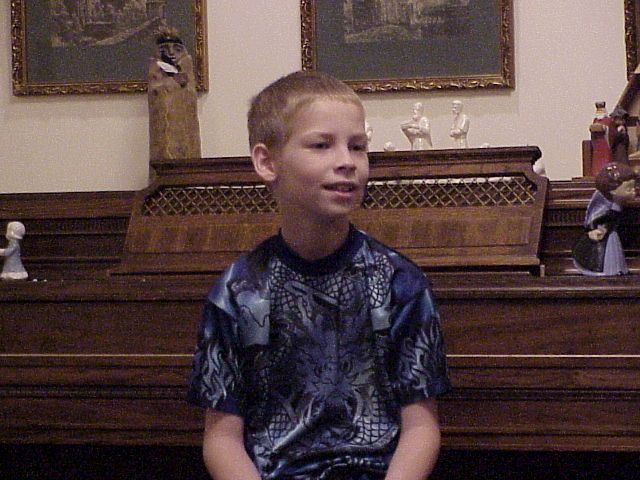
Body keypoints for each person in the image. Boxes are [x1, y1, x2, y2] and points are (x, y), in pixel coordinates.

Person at [187, 70, 451, 480]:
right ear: (267, 162)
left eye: (358, 146)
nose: (347, 161)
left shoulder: (399, 282)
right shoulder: (239, 290)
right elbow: (221, 439)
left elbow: (421, 429)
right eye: (321, 145)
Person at [572, 162, 637, 276]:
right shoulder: (603, 207)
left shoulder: (616, 204)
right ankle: (609, 270)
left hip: (610, 231)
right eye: (628, 189)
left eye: (634, 187)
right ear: (612, 190)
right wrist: (597, 229)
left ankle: (617, 269)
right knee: (608, 253)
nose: (634, 191)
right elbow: (598, 218)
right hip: (604, 234)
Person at [148, 27, 201, 162]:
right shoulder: (156, 69)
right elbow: (156, 92)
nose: (171, 53)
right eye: (165, 50)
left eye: (177, 49)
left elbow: (189, 93)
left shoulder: (186, 68)